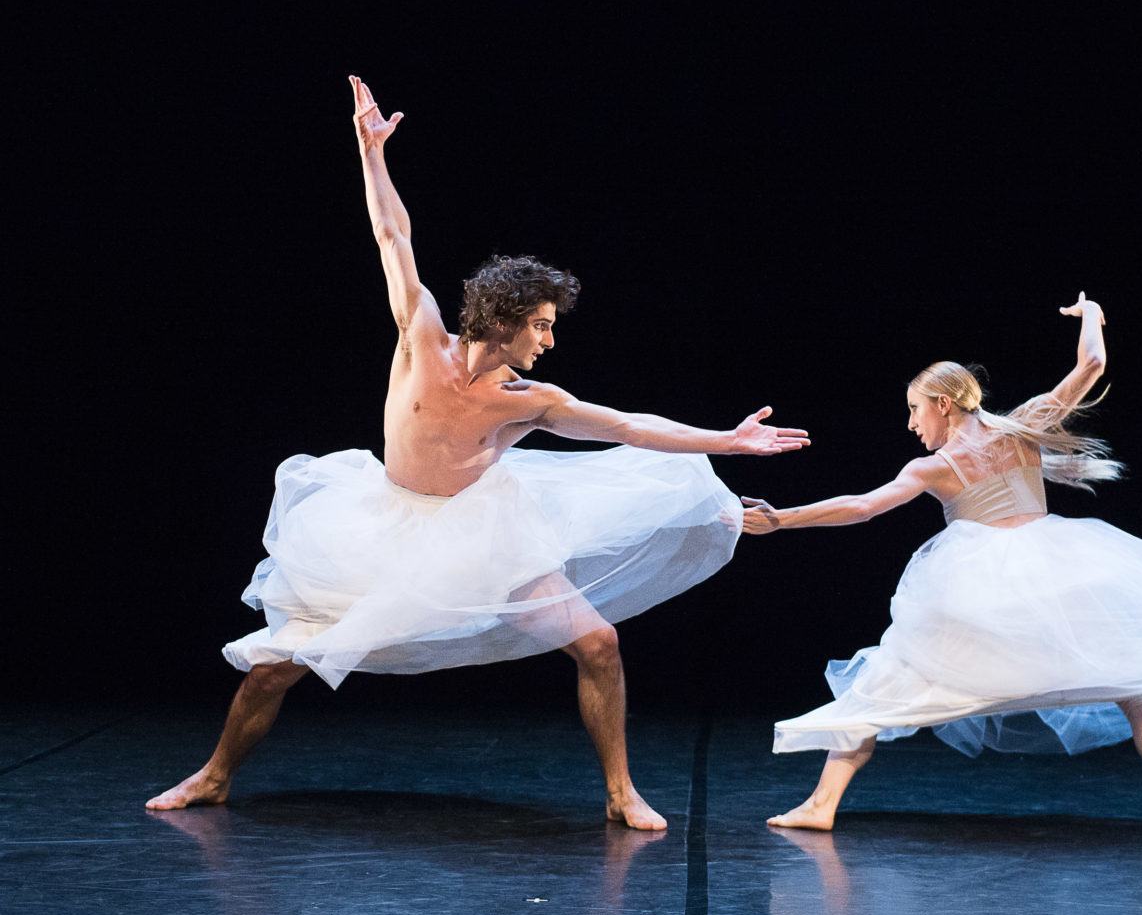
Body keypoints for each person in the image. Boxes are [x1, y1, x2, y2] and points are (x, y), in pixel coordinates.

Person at [146, 76, 809, 830]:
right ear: (506, 318)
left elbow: (626, 425)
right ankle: (214, 774)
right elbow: (393, 236)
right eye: (544, 325)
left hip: (481, 532)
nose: (550, 340)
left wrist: (725, 439)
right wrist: (371, 154)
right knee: (273, 667)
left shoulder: (531, 400)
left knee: (598, 641)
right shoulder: (420, 335)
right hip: (378, 524)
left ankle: (621, 791)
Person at [742, 293, 1142, 836]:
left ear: (942, 404)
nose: (911, 424)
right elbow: (1093, 363)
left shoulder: (933, 466)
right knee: (1135, 686)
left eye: (914, 409)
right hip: (1059, 572)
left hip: (979, 588)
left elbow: (862, 507)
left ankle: (822, 803)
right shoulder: (1025, 424)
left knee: (886, 678)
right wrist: (1093, 316)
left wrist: (782, 518)